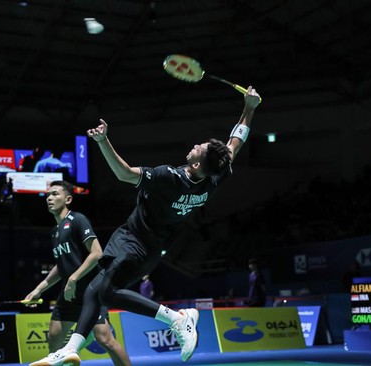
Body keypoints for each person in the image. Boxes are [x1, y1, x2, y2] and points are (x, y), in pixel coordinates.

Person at [31, 86, 261, 366]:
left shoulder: (170, 177)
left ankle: (177, 318)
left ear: (198, 161)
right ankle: (72, 348)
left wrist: (103, 141)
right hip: (147, 241)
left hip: (137, 241)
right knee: (94, 289)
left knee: (106, 291)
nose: (194, 146)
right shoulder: (214, 176)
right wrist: (249, 108)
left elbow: (125, 174)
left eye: (198, 147)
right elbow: (235, 143)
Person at [24, 181, 131, 366]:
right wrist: (39, 289)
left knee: (105, 339)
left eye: (55, 194)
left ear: (68, 199)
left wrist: (73, 278)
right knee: (54, 336)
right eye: (48, 195)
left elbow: (97, 252)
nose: (49, 198)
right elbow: (61, 265)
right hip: (69, 294)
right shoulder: (55, 232)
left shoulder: (77, 220)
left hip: (90, 291)